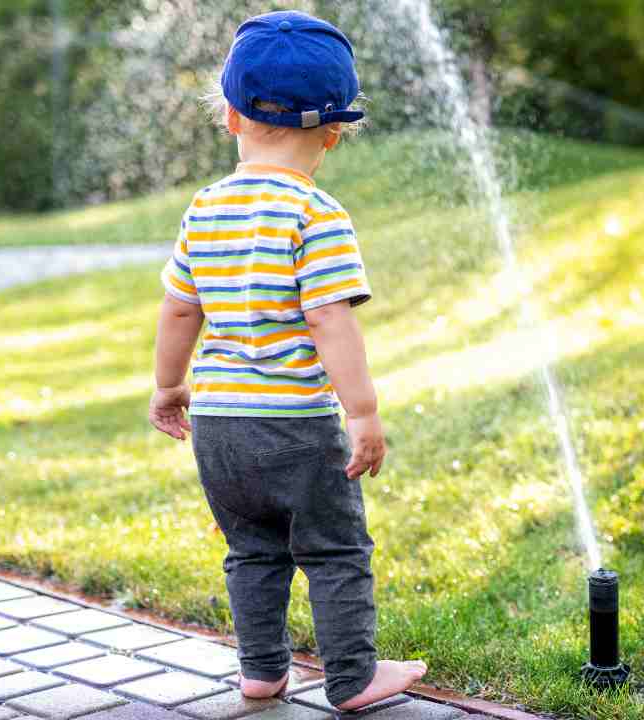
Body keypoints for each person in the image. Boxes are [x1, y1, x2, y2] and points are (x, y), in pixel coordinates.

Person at [148, 10, 426, 710]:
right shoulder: (316, 212)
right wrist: (361, 411)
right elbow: (328, 317)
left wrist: (167, 385)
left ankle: (262, 671)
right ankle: (353, 677)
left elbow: (181, 309)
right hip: (295, 426)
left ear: (232, 118)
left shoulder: (204, 208)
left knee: (252, 551)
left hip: (218, 426)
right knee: (333, 550)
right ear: (334, 133)